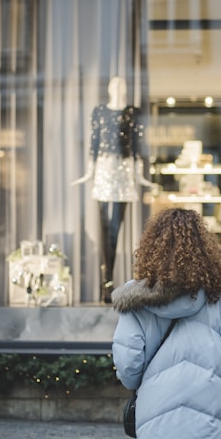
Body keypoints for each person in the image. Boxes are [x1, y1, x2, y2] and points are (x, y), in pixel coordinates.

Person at [112, 208, 221, 439]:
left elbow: (128, 365)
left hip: (158, 418)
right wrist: (218, 367)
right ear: (205, 248)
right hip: (212, 417)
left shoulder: (136, 301)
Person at [72, 76, 155, 303]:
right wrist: (89, 173)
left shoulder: (133, 113)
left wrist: (141, 176)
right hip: (104, 169)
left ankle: (108, 282)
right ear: (108, 88)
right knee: (104, 228)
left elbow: (137, 145)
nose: (118, 87)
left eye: (122, 84)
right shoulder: (99, 112)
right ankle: (106, 281)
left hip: (124, 170)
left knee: (115, 227)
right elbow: (94, 142)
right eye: (114, 84)